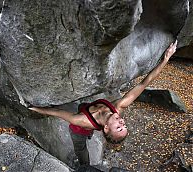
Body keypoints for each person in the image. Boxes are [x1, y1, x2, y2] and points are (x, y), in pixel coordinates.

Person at [28, 41, 177, 165]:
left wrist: (35, 108)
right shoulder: (118, 107)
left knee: (80, 148)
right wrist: (166, 59)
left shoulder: (80, 121)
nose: (122, 121)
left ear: (106, 128)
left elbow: (58, 113)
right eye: (124, 125)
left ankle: (84, 166)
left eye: (119, 127)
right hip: (85, 108)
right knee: (82, 110)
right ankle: (89, 136)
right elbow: (144, 83)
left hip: (78, 131)